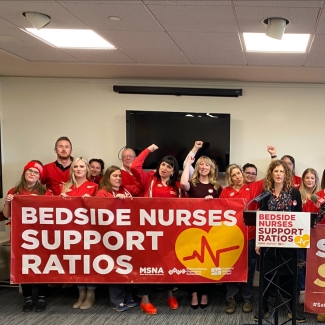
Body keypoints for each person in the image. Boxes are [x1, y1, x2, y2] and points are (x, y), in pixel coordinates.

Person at [130, 144, 181, 314]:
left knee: (168, 263)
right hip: (148, 231)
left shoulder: (177, 187)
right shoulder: (150, 180)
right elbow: (135, 167)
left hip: (168, 233)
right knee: (146, 264)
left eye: (169, 166)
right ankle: (144, 300)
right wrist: (148, 150)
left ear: (173, 171)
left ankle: (170, 293)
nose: (164, 168)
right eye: (163, 164)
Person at [256, 160, 305, 323]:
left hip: (288, 241)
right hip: (269, 241)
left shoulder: (294, 193)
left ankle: (292, 309)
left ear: (286, 174)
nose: (278, 174)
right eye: (275, 171)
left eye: (281, 171)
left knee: (289, 275)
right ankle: (264, 307)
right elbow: (260, 218)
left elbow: (299, 218)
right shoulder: (265, 193)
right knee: (267, 274)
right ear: (271, 174)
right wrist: (258, 241)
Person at [3, 161, 52, 312]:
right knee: (23, 265)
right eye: (29, 171)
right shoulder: (14, 191)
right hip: (20, 236)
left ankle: (42, 297)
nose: (32, 174)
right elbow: (6, 215)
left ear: (39, 177)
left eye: (36, 172)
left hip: (40, 236)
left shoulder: (45, 192)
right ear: (24, 173)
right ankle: (28, 297)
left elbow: (52, 214)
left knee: (41, 265)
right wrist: (7, 202)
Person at [181, 152, 222, 309]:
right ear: (197, 167)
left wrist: (212, 204)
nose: (204, 167)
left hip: (210, 231)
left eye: (207, 165)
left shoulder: (217, 187)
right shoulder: (193, 184)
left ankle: (205, 293)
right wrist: (187, 165)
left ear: (211, 168)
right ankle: (193, 293)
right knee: (193, 263)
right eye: (201, 164)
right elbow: (183, 183)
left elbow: (223, 208)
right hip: (192, 230)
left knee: (207, 263)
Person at [96, 166, 139, 312]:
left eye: (120, 176)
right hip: (110, 237)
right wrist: (116, 201)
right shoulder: (103, 193)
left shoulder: (124, 191)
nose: (118, 178)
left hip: (125, 235)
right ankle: (116, 300)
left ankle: (127, 297)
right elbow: (100, 213)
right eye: (115, 176)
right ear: (108, 177)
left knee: (126, 267)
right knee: (115, 269)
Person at [60, 157, 98, 309]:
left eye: (82, 166)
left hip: (88, 231)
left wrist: (91, 201)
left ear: (87, 169)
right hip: (71, 231)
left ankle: (91, 293)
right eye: (76, 166)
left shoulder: (93, 186)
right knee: (76, 262)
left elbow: (101, 209)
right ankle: (81, 292)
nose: (78, 169)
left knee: (89, 262)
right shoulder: (65, 187)